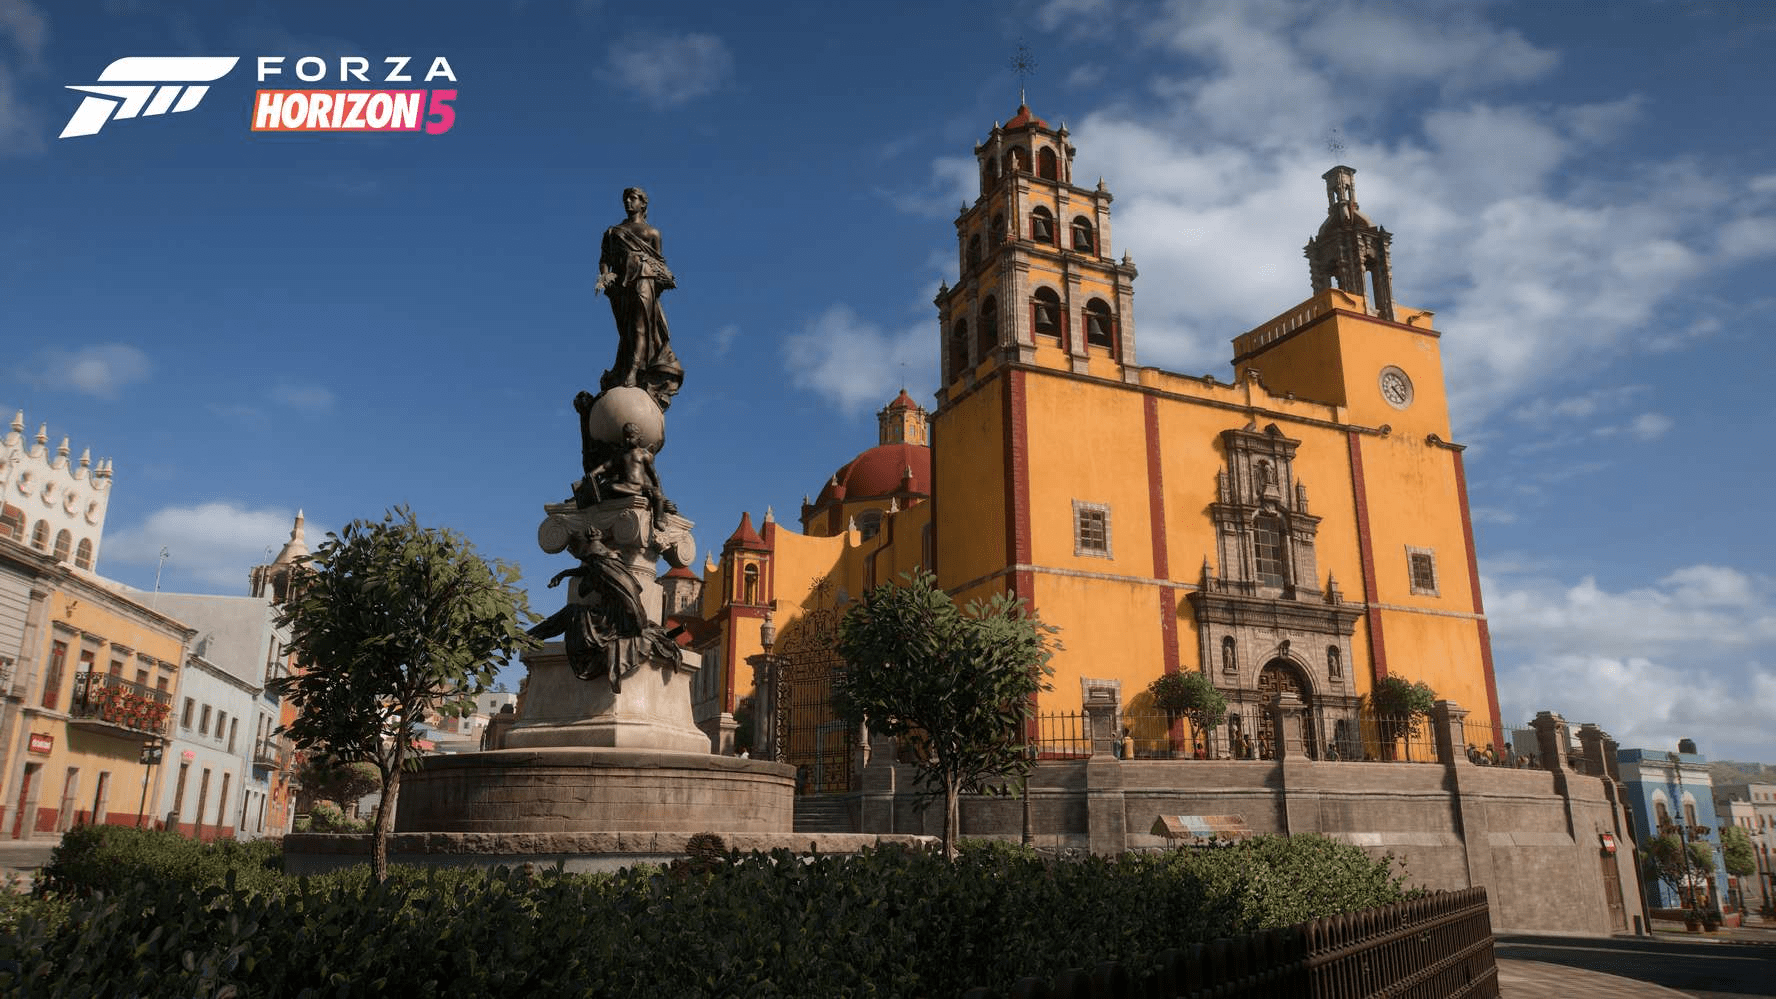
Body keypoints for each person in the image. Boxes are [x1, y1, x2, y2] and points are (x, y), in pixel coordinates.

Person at [595, 187, 684, 406]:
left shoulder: (653, 233)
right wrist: (606, 276)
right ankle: (625, 367)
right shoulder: (613, 232)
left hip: (645, 278)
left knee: (640, 326)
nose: (628, 202)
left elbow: (659, 263)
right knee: (626, 332)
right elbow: (605, 259)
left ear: (643, 203)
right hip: (621, 285)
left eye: (633, 198)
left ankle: (633, 372)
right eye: (625, 198)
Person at [583, 422, 673, 529]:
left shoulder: (644, 454)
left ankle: (658, 519)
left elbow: (653, 474)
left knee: (657, 495)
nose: (627, 440)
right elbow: (606, 466)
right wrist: (594, 473)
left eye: (631, 437)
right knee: (611, 487)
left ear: (639, 438)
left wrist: (660, 492)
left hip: (640, 486)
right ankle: (639, 494)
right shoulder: (620, 454)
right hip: (626, 486)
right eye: (625, 437)